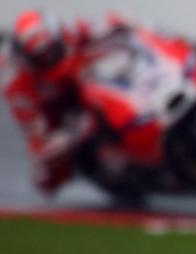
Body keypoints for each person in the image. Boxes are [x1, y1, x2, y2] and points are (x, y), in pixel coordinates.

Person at [1, 10, 129, 197]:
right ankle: (96, 167)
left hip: (88, 80)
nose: (49, 60)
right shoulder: (16, 83)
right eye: (41, 58)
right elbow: (37, 137)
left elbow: (117, 24)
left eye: (52, 52)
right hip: (56, 111)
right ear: (28, 58)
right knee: (45, 178)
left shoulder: (70, 33)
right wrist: (67, 137)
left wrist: (122, 26)